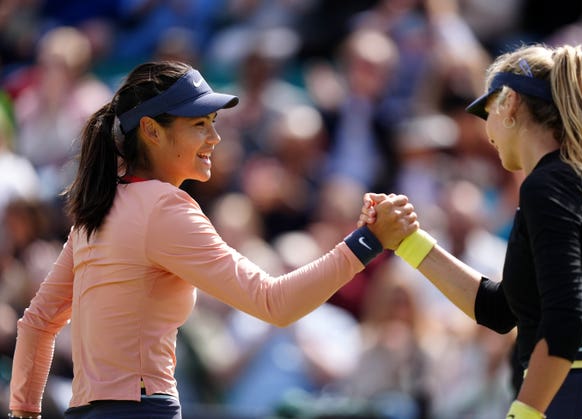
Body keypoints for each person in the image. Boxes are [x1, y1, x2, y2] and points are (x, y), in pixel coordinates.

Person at [7, 60, 419, 419]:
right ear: (151, 130)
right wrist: (366, 242)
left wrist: (25, 410)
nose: (214, 138)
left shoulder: (97, 211)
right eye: (198, 125)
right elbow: (273, 303)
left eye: (213, 124)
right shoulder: (166, 207)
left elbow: (37, 324)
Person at [360, 43, 582, 418]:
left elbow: (566, 322)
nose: (485, 127)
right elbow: (500, 310)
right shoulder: (571, 183)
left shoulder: (546, 186)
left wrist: (523, 413)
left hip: (575, 396)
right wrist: (407, 242)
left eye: (487, 110)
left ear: (509, 104)